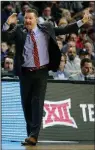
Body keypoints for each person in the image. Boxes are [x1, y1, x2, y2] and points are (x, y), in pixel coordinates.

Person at [2, 8, 91, 146]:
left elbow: (64, 29)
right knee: (26, 105)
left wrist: (81, 22)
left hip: (41, 72)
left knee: (37, 103)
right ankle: (30, 135)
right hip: (25, 73)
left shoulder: (47, 28)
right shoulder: (19, 30)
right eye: (25, 18)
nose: (27, 21)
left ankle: (34, 136)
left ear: (36, 19)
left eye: (30, 18)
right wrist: (7, 23)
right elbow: (5, 37)